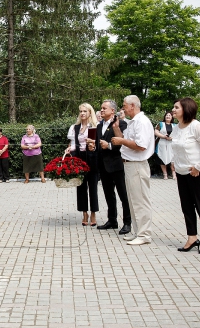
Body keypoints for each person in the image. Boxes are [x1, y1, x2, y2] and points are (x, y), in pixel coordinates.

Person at [170, 98, 200, 254]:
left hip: (196, 174)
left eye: (176, 107)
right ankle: (192, 237)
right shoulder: (177, 127)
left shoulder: (196, 126)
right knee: (186, 207)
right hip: (182, 173)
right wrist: (174, 162)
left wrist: (198, 167)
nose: (173, 110)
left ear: (186, 109)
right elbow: (175, 147)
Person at [111, 95, 154, 246]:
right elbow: (124, 139)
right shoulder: (133, 122)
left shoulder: (141, 122)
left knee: (141, 200)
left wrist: (121, 141)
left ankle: (145, 234)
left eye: (124, 105)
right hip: (129, 164)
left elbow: (140, 145)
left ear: (133, 105)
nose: (123, 108)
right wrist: (116, 128)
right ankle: (138, 232)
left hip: (137, 164)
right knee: (133, 200)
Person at [95, 100, 132, 235]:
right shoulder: (99, 126)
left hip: (117, 164)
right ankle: (112, 220)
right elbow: (100, 144)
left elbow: (123, 143)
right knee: (108, 194)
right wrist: (94, 146)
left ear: (112, 110)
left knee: (123, 194)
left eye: (104, 108)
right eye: (101, 108)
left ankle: (127, 222)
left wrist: (109, 146)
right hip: (103, 166)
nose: (102, 110)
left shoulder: (121, 124)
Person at [65, 103, 99, 226]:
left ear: (90, 112)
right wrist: (69, 149)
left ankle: (94, 213)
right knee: (81, 186)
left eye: (85, 111)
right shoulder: (75, 127)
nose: (82, 113)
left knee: (93, 187)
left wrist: (93, 145)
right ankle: (85, 212)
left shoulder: (94, 127)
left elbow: (93, 145)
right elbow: (74, 144)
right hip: (79, 158)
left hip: (91, 158)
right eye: (80, 111)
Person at [154, 111, 177, 180]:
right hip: (162, 143)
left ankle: (174, 173)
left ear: (172, 117)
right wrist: (164, 136)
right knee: (162, 158)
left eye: (169, 115)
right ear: (165, 116)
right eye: (167, 115)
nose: (168, 116)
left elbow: (178, 134)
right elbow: (156, 132)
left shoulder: (175, 125)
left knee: (173, 158)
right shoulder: (160, 124)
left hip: (171, 144)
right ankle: (165, 174)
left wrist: (171, 138)